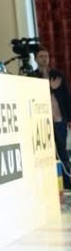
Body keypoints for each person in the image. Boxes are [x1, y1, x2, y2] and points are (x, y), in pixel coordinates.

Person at [33, 48, 71, 191]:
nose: (44, 59)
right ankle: (51, 184)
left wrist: (69, 118)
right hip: (42, 122)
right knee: (46, 155)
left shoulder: (57, 75)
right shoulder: (33, 77)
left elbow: (66, 97)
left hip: (59, 120)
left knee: (62, 152)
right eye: (41, 56)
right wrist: (50, 88)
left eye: (46, 56)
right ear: (36, 59)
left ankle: (67, 183)